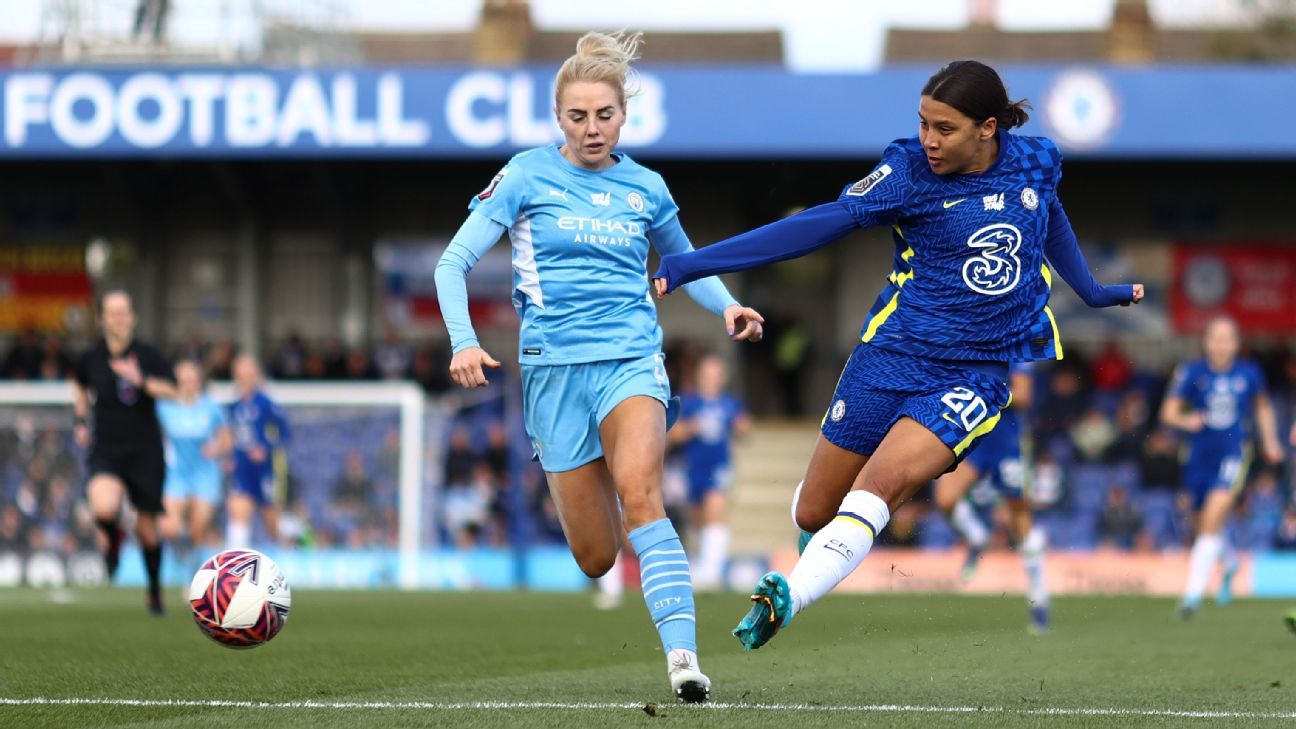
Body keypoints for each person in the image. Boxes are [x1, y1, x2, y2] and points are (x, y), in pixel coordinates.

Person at [653, 60, 1143, 650]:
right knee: (813, 513)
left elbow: (1048, 212)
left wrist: (1088, 289)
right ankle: (824, 547)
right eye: (923, 123)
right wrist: (693, 262)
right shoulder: (907, 172)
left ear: (988, 128)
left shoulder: (1036, 160)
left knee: (882, 482)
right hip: (890, 357)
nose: (929, 140)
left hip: (974, 372)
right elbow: (818, 225)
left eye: (944, 128)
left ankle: (788, 595)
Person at [433, 31, 763, 702]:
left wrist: (727, 306)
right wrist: (463, 340)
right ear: (559, 117)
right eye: (578, 116)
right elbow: (452, 262)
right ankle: (622, 547)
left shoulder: (646, 186)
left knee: (643, 491)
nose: (592, 128)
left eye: (604, 115)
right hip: (553, 373)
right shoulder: (525, 175)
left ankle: (683, 659)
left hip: (630, 359)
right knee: (596, 555)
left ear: (623, 116)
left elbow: (685, 264)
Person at [1160, 316, 1283, 618]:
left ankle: (1191, 597)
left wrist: (1270, 441)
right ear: (1206, 341)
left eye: (1228, 338)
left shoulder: (1249, 373)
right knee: (1203, 524)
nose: (1222, 344)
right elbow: (1168, 412)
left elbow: (1262, 407)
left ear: (1237, 343)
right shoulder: (1191, 372)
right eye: (1216, 337)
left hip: (1234, 454)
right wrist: (1185, 420)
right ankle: (1228, 562)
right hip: (1198, 456)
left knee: (1214, 516)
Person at [72, 290, 177, 615]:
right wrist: (79, 419)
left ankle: (154, 593)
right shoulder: (91, 357)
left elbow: (173, 389)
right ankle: (113, 539)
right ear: (102, 318)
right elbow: (78, 384)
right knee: (103, 509)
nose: (118, 318)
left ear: (133, 317)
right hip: (107, 449)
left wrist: (141, 380)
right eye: (112, 312)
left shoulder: (148, 355)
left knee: (147, 530)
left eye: (124, 312)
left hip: (145, 452)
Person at [932, 362, 1050, 633]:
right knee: (944, 498)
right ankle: (976, 536)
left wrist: (983, 389)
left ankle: (1039, 599)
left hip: (1006, 444)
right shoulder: (972, 343)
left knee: (1018, 518)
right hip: (974, 439)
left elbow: (1023, 396)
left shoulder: (1015, 349)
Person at [673, 354, 750, 589]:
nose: (711, 379)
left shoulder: (730, 403)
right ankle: (702, 567)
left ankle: (711, 573)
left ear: (722, 377)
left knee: (714, 510)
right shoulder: (688, 403)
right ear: (699, 376)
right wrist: (690, 428)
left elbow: (745, 428)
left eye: (715, 374)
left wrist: (741, 427)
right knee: (698, 520)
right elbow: (673, 435)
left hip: (719, 467)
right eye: (707, 374)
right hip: (694, 467)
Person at [157, 360, 231, 569]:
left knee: (198, 529)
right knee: (169, 527)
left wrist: (216, 449)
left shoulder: (211, 407)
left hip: (205, 473)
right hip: (177, 473)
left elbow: (226, 438)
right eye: (183, 381)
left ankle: (194, 577)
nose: (188, 385)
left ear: (199, 382)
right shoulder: (165, 408)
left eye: (192, 380)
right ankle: (181, 548)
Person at [227, 355, 290, 549]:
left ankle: (291, 549)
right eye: (240, 374)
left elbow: (286, 433)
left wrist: (267, 448)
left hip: (266, 469)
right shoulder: (234, 407)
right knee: (238, 512)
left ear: (256, 376)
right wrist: (229, 457)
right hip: (242, 467)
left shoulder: (265, 404)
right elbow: (230, 436)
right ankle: (235, 565)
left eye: (248, 374)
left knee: (271, 523)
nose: (244, 378)